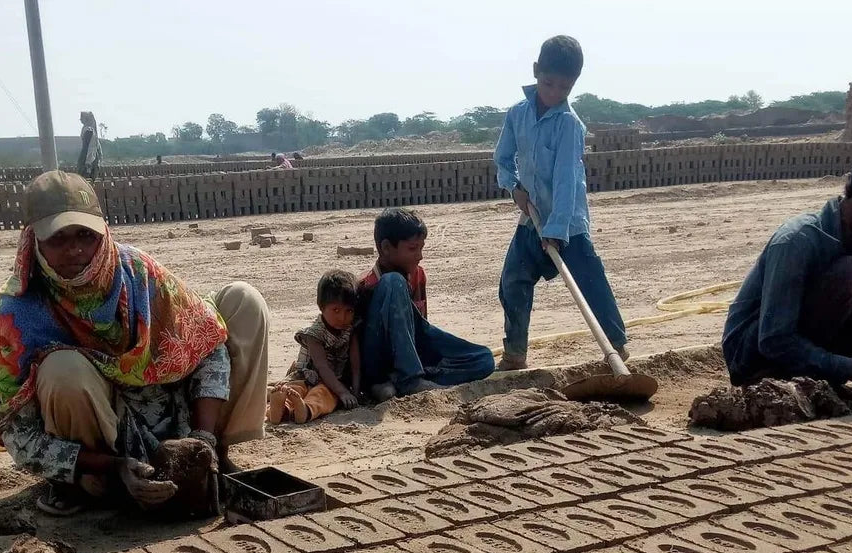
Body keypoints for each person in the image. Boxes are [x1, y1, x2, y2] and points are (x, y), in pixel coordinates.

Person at [0, 171, 270, 516]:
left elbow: (208, 348)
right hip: (104, 433)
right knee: (62, 370)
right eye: (58, 239)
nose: (75, 249)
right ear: (33, 241)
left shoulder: (138, 273)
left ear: (102, 232)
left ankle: (212, 457)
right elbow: (18, 432)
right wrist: (113, 465)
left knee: (243, 300)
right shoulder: (19, 313)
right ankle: (87, 482)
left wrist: (203, 439)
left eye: (85, 235)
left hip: (174, 407)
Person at [722, 146, 852, 405]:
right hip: (754, 359)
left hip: (798, 348)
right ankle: (786, 380)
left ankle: (828, 378)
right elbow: (774, 339)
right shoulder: (797, 240)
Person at [494, 35, 628, 371]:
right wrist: (514, 189)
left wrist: (556, 230)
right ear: (536, 71)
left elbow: (568, 181)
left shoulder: (570, 125)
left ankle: (616, 347)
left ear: (574, 85)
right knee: (513, 281)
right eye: (548, 83)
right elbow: (503, 158)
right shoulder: (517, 115)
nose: (554, 93)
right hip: (531, 219)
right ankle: (514, 353)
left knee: (590, 283)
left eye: (563, 88)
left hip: (567, 224)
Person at [358, 208, 495, 400]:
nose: (420, 256)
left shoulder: (417, 275)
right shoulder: (368, 285)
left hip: (411, 354)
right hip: (380, 363)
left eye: (421, 248)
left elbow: (421, 325)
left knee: (483, 359)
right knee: (393, 282)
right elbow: (362, 345)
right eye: (413, 249)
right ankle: (408, 380)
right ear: (386, 248)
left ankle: (407, 378)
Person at [267, 270, 362, 424]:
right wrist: (343, 392)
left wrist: (356, 392)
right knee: (294, 389)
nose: (342, 318)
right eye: (336, 310)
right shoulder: (314, 335)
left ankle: (305, 409)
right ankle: (279, 409)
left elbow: (356, 365)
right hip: (308, 375)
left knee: (322, 394)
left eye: (348, 311)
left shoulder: (350, 331)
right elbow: (322, 367)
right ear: (321, 307)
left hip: (331, 383)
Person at [78, 111, 102, 178]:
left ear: (86, 119)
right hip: (91, 156)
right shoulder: (88, 129)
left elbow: (89, 147)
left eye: (82, 118)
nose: (81, 120)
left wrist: (87, 161)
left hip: (89, 157)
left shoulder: (89, 130)